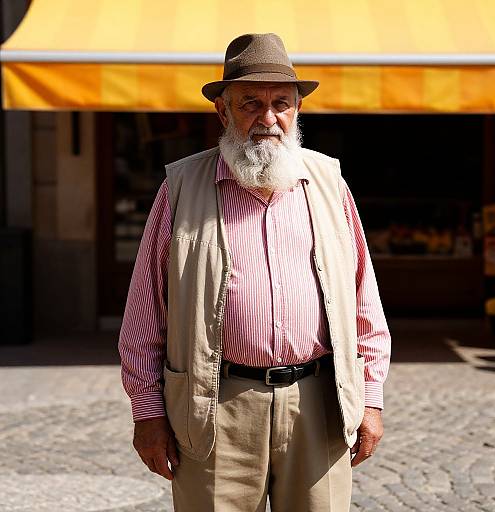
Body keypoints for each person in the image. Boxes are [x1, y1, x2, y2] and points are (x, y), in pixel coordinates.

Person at [119, 32, 391, 512]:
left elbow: (363, 298)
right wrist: (148, 414)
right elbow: (145, 312)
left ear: (297, 110)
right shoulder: (180, 189)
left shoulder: (329, 183)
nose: (268, 119)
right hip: (214, 408)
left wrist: (370, 399)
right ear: (222, 112)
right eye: (250, 104)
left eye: (281, 104)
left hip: (318, 405)